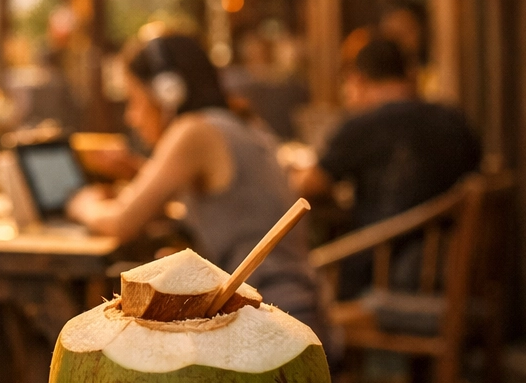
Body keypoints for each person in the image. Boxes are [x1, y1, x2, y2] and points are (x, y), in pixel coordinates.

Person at [67, 34, 325, 335]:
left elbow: (122, 221)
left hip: (269, 321)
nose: (131, 117)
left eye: (134, 100)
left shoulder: (193, 131)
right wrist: (139, 170)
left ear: (167, 93)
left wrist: (79, 202)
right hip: (296, 307)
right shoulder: (238, 122)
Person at [292, 37, 481, 297]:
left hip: (383, 273)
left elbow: (309, 186)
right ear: (409, 74)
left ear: (357, 80)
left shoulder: (362, 126)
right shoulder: (456, 121)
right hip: (453, 274)